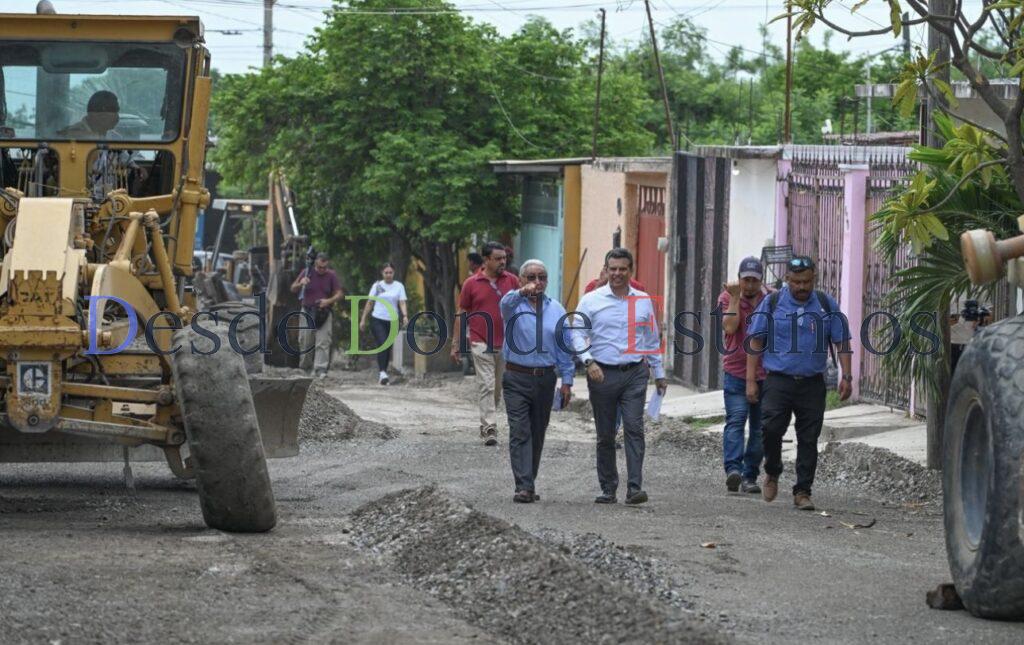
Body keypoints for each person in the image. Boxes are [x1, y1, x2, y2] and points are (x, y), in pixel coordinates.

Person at [746, 256, 853, 511]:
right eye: (797, 282)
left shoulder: (826, 305)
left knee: (809, 438)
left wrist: (846, 376)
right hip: (778, 381)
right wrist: (750, 381)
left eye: (807, 281)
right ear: (787, 280)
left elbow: (842, 342)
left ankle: (803, 490)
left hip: (812, 383)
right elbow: (755, 341)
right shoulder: (772, 303)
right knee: (770, 429)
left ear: (814, 279)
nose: (802, 287)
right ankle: (772, 471)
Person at [572, 248, 667, 505]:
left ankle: (634, 488)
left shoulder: (643, 300)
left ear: (630, 271)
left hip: (634, 373)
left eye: (622, 269)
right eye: (612, 269)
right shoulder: (591, 300)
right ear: (606, 269)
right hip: (601, 373)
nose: (617, 274)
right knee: (605, 434)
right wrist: (588, 361)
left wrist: (659, 373)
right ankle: (608, 488)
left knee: (634, 428)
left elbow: (650, 338)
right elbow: (576, 333)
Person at [499, 259, 574, 503]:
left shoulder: (557, 309)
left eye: (541, 277)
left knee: (537, 431)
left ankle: (528, 480)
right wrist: (522, 292)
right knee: (520, 431)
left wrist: (567, 381)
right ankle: (524, 486)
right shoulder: (513, 305)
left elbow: (564, 347)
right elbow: (505, 302)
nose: (537, 282)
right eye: (531, 277)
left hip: (545, 378)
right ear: (520, 280)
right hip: (516, 377)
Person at [451, 241, 520, 446]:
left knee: (497, 388)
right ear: (486, 260)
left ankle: (489, 416)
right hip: (480, 341)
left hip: (506, 343)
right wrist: (455, 344)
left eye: (504, 258)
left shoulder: (513, 281)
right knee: (487, 385)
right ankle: (489, 426)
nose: (503, 262)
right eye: (498, 259)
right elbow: (461, 313)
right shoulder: (471, 284)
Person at [717, 257, 769, 494]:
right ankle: (733, 470)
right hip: (736, 371)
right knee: (736, 420)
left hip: (766, 372)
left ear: (761, 281)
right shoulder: (727, 298)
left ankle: (750, 476)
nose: (749, 285)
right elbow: (729, 327)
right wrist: (736, 297)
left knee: (760, 428)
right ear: (738, 279)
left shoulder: (771, 299)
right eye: (745, 280)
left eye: (754, 281)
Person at [291, 252, 343, 378]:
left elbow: (339, 294)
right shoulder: (306, 272)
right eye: (320, 267)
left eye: (325, 267)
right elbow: (293, 288)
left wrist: (328, 301)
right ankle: (305, 367)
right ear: (315, 264)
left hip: (323, 312)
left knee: (323, 341)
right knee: (305, 340)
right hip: (308, 310)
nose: (322, 270)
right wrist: (301, 283)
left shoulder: (331, 275)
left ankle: (320, 369)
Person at [360, 262, 409, 385]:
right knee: (382, 343)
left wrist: (405, 315)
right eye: (386, 272)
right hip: (378, 318)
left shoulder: (399, 286)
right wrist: (363, 319)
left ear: (394, 273)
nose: (388, 275)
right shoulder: (377, 286)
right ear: (382, 273)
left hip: (393, 320)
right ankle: (382, 372)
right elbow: (370, 302)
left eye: (390, 272)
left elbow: (402, 302)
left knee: (388, 346)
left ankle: (383, 373)